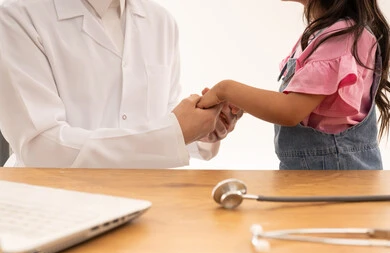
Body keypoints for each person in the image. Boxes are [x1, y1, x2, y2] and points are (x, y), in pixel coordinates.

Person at [0, 0, 242, 168]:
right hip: (52, 207)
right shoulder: (16, 16)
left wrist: (200, 131)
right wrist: (174, 134)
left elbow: (157, 127)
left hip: (142, 206)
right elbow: (42, 149)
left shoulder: (161, 22)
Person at [198, 0, 390, 170]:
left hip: (337, 179)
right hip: (315, 175)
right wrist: (243, 104)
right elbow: (304, 107)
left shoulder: (341, 37)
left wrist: (226, 90)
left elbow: (290, 111)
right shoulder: (323, 34)